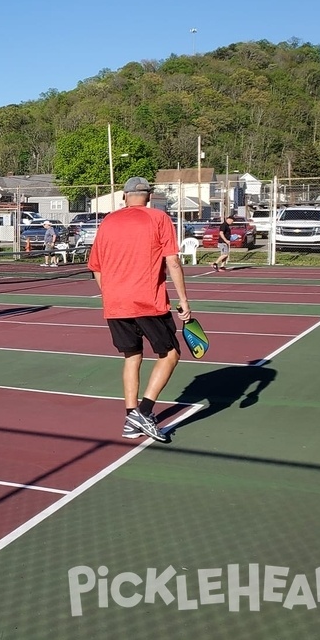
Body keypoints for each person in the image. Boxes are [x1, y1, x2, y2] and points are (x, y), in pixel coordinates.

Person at [87, 177, 193, 444]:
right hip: (148, 301)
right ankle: (143, 412)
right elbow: (173, 262)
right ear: (149, 196)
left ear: (124, 196)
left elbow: (96, 267)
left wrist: (110, 295)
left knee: (132, 357)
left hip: (116, 304)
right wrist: (184, 300)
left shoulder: (108, 222)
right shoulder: (159, 218)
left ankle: (130, 418)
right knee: (170, 354)